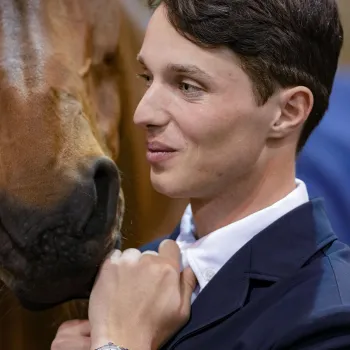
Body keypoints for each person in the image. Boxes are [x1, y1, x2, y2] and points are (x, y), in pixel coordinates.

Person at [52, 0, 350, 349]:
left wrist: (116, 344)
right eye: (148, 78)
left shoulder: (331, 321)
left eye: (187, 86)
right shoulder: (126, 278)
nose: (142, 113)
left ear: (287, 112)